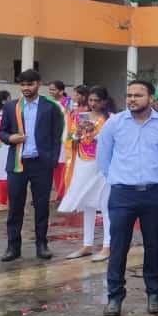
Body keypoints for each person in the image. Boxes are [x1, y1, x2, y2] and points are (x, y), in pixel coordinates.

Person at [97, 80, 158, 316]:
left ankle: (153, 293)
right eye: (129, 95)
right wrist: (118, 178)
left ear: (150, 98)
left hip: (154, 193)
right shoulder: (114, 123)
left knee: (154, 245)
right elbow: (103, 158)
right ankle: (114, 297)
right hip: (122, 194)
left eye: (138, 95)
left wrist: (156, 179)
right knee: (118, 247)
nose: (132, 99)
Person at [0, 70, 66, 262]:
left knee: (42, 206)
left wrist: (52, 160)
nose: (26, 88)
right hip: (17, 164)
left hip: (41, 164)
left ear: (39, 83)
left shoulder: (50, 107)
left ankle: (42, 245)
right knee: (15, 207)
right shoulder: (11, 107)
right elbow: (2, 132)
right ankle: (13, 247)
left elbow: (57, 135)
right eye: (23, 85)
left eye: (30, 84)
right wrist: (10, 138)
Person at [60, 86, 112, 261]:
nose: (93, 103)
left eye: (97, 100)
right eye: (91, 100)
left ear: (104, 102)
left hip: (102, 166)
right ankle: (87, 244)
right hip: (83, 163)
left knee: (105, 205)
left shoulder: (110, 119)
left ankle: (107, 246)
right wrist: (78, 134)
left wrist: (94, 135)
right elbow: (70, 139)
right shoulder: (80, 117)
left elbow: (113, 141)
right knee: (87, 204)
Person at [49, 80, 70, 201]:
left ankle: (64, 193)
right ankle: (59, 192)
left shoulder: (68, 103)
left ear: (61, 91)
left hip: (65, 139)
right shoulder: (49, 103)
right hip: (52, 139)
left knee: (63, 166)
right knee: (55, 166)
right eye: (50, 89)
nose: (51, 92)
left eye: (53, 89)